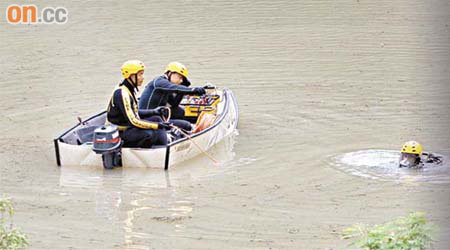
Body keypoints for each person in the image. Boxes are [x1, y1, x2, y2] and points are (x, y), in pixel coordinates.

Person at [106, 60, 172, 148]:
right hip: (117, 133)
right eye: (140, 74)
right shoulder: (122, 93)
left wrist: (154, 111)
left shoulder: (129, 89)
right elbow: (134, 121)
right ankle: (159, 151)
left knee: (156, 118)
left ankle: (165, 145)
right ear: (131, 75)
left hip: (127, 127)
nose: (143, 78)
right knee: (149, 134)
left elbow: (135, 112)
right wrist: (158, 126)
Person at [138, 62, 206, 131]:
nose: (181, 80)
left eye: (182, 79)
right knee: (186, 125)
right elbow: (174, 87)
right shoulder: (159, 81)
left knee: (182, 113)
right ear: (170, 73)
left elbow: (174, 104)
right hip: (148, 120)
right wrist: (193, 90)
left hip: (159, 117)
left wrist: (184, 87)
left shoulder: (166, 88)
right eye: (180, 77)